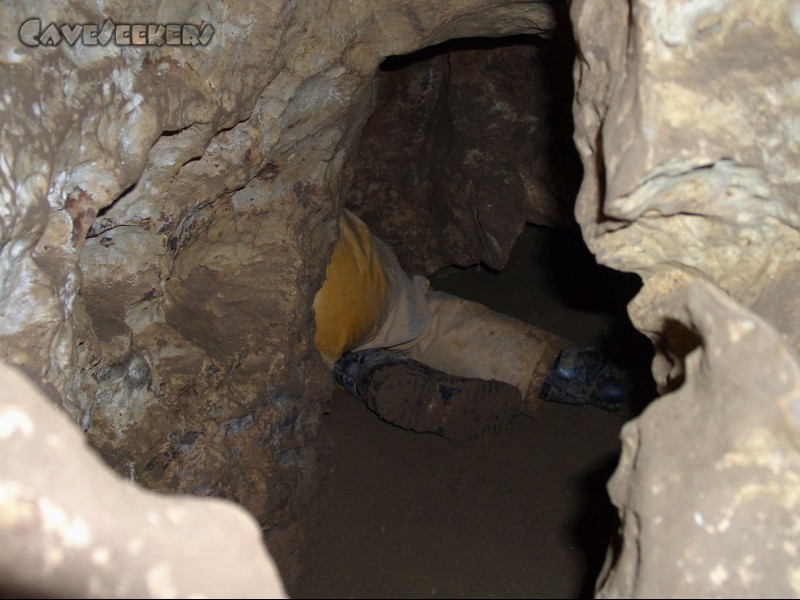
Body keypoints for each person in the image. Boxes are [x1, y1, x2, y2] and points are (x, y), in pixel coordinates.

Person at [312, 209, 629, 445]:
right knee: (425, 322)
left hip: (304, 323)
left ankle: (368, 372)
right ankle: (570, 375)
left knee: (312, 361)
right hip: (345, 261)